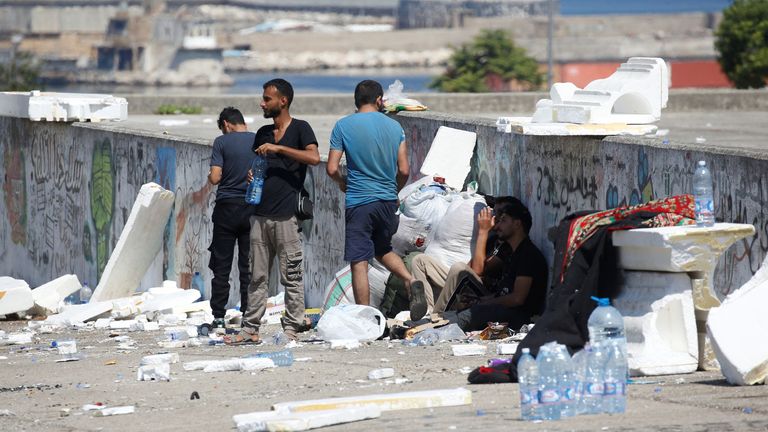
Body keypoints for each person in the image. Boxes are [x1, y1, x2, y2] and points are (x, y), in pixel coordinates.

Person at [225, 79, 320, 345]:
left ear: (283, 101)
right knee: (256, 276)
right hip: (259, 214)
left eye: (267, 99)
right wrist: (252, 176)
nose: (262, 103)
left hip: (287, 217)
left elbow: (313, 158)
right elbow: (258, 167)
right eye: (263, 98)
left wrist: (279, 149)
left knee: (292, 276)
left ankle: (292, 327)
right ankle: (250, 329)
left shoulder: (301, 129)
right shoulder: (263, 133)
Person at [326, 79, 427, 321]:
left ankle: (365, 318)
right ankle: (410, 279)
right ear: (379, 100)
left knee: (359, 261)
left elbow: (331, 168)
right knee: (381, 248)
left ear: (356, 100)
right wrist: (393, 192)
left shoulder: (343, 126)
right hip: (386, 201)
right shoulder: (395, 128)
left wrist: (343, 183)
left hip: (360, 200)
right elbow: (404, 170)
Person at [410, 199, 548, 331]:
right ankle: (426, 319)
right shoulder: (510, 249)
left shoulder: (527, 254)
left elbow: (517, 298)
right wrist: (481, 300)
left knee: (464, 314)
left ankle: (432, 323)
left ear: (517, 224)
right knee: (420, 261)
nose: (497, 223)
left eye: (503, 220)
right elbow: (478, 271)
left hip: (513, 314)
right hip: (494, 301)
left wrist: (484, 303)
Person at [207, 107, 255, 332]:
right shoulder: (258, 140)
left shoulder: (221, 142)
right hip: (250, 208)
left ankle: (218, 317)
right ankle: (247, 315)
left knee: (221, 266)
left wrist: (210, 175)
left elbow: (215, 178)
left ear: (226, 124)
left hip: (226, 209)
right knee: (247, 266)